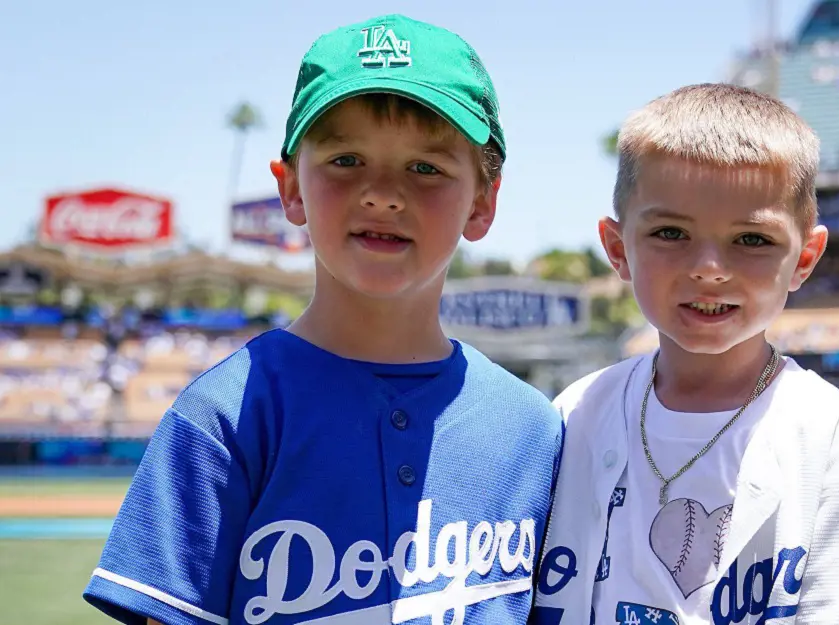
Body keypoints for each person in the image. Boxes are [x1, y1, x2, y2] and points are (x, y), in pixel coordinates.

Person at [84, 14, 563, 625]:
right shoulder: (225, 415)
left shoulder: (533, 429)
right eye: (345, 159)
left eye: (426, 168)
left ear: (483, 200)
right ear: (290, 189)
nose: (383, 194)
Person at [530, 84, 839, 625]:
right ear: (619, 249)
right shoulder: (578, 410)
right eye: (671, 232)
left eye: (753, 240)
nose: (710, 268)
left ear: (805, 258)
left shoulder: (824, 433)